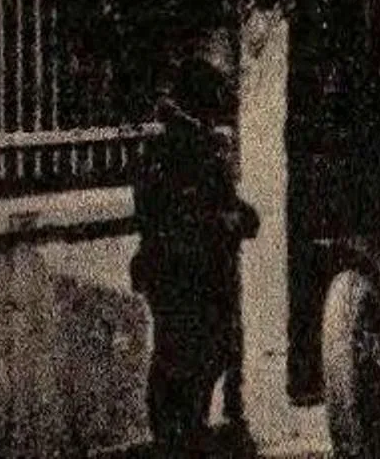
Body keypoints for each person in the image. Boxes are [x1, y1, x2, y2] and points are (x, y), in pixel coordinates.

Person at [133, 56, 260, 459]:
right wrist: (223, 221)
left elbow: (227, 204)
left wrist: (240, 216)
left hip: (204, 273)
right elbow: (166, 214)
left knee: (210, 355)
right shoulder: (170, 147)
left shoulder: (199, 146)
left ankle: (186, 435)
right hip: (181, 272)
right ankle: (178, 440)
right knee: (184, 359)